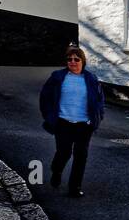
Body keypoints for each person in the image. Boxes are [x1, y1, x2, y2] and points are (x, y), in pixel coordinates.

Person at [38, 45, 106, 197]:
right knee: (64, 152)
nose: (72, 62)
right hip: (63, 122)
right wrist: (49, 116)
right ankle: (57, 170)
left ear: (83, 61)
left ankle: (74, 187)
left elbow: (99, 100)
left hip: (84, 124)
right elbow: (45, 98)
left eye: (76, 59)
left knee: (81, 155)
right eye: (69, 59)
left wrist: (98, 116)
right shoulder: (57, 77)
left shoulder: (91, 79)